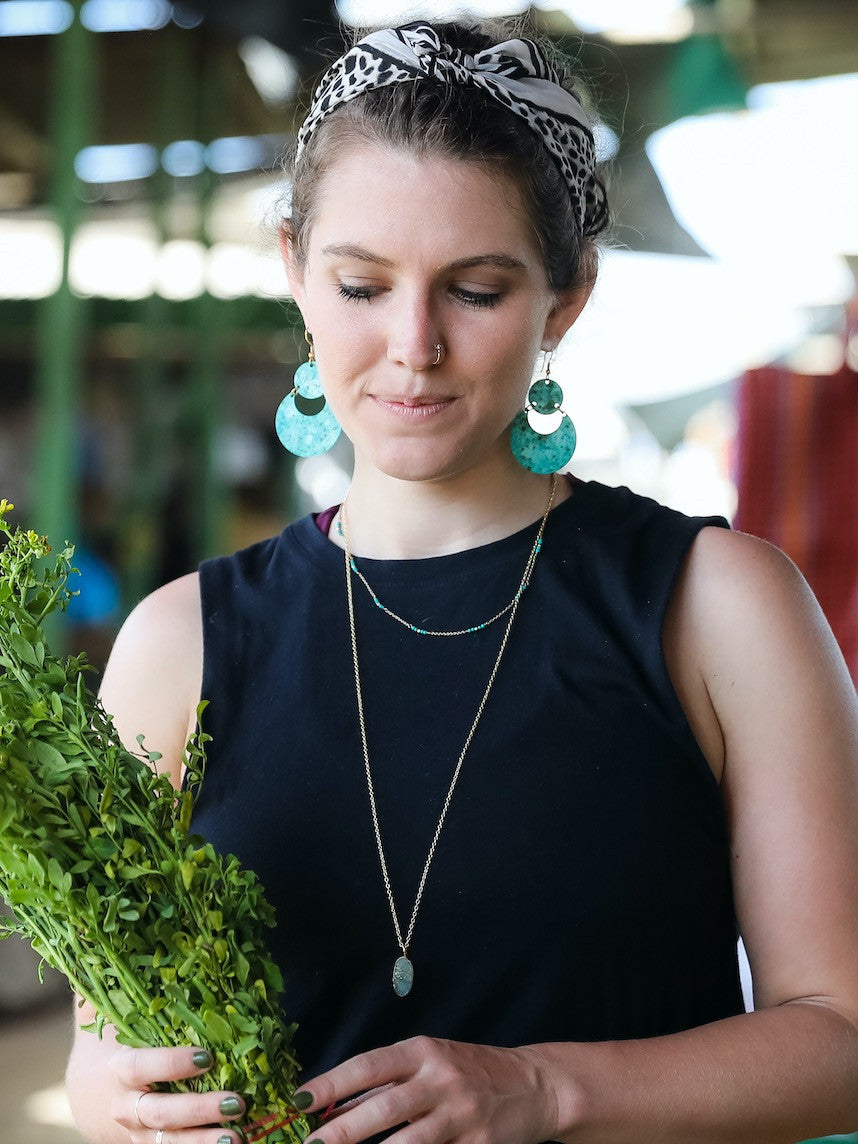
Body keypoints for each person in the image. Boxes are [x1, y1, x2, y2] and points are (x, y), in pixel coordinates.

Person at [65, 17, 858, 1144]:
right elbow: (108, 1057)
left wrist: (546, 1089)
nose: (412, 344)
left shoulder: (718, 605)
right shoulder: (175, 642)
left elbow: (841, 1037)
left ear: (566, 295)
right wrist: (118, 1105)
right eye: (360, 284)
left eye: (476, 291)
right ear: (295, 269)